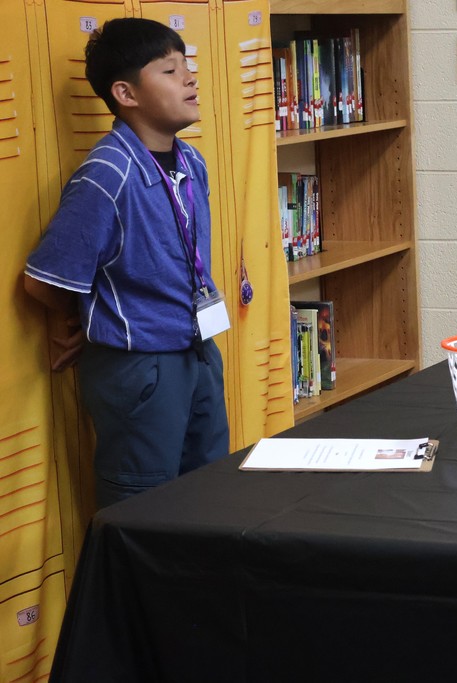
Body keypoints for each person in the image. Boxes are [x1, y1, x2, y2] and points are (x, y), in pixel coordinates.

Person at [23, 18, 230, 508]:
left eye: (188, 66)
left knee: (212, 496)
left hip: (198, 350)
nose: (189, 78)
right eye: (169, 70)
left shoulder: (192, 162)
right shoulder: (107, 174)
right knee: (145, 511)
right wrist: (73, 319)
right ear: (126, 93)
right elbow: (43, 279)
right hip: (141, 369)